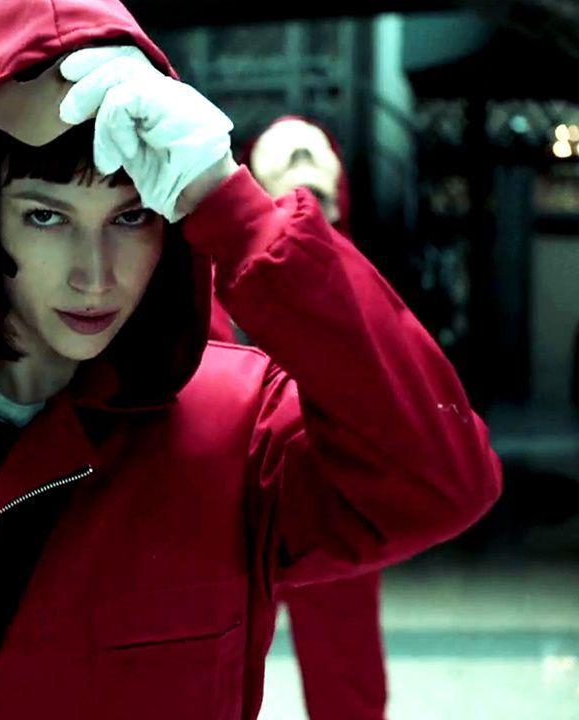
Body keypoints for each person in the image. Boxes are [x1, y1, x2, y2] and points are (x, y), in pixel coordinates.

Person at [0, 1, 502, 718]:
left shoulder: (239, 430)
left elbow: (441, 481)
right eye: (46, 217)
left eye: (131, 218)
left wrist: (234, 206)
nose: (94, 274)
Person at [246, 114, 388, 720]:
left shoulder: (359, 280)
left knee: (345, 660)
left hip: (331, 483)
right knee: (208, 653)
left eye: (317, 201)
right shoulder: (223, 276)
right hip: (240, 484)